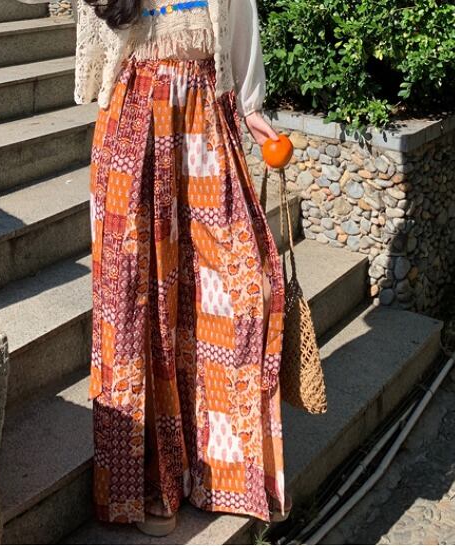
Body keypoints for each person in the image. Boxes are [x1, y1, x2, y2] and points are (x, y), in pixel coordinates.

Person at [73, 0, 289, 536]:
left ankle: (223, 470)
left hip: (205, 119)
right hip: (133, 122)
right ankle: (153, 482)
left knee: (244, 285)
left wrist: (252, 107)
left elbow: (241, 21)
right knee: (136, 306)